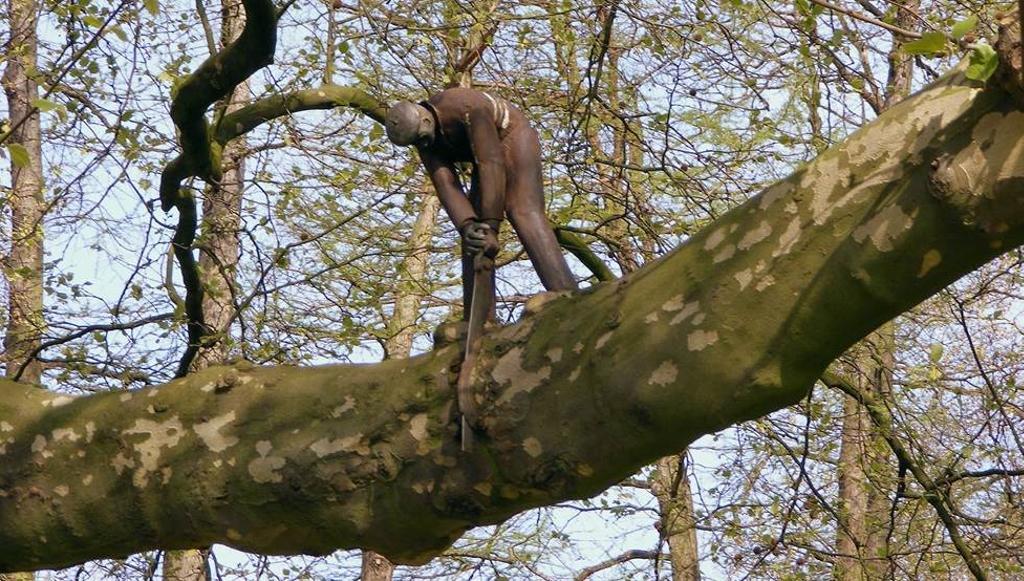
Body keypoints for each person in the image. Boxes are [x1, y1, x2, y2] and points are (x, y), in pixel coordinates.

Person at [385, 88, 578, 319]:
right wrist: (467, 225)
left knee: (522, 210)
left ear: (426, 119)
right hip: (483, 159)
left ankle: (567, 293)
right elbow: (445, 184)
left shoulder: (467, 108)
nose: (424, 146)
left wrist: (491, 225)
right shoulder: (422, 137)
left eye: (423, 139)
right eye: (418, 143)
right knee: (474, 238)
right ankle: (479, 318)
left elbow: (491, 162)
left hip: (512, 137)